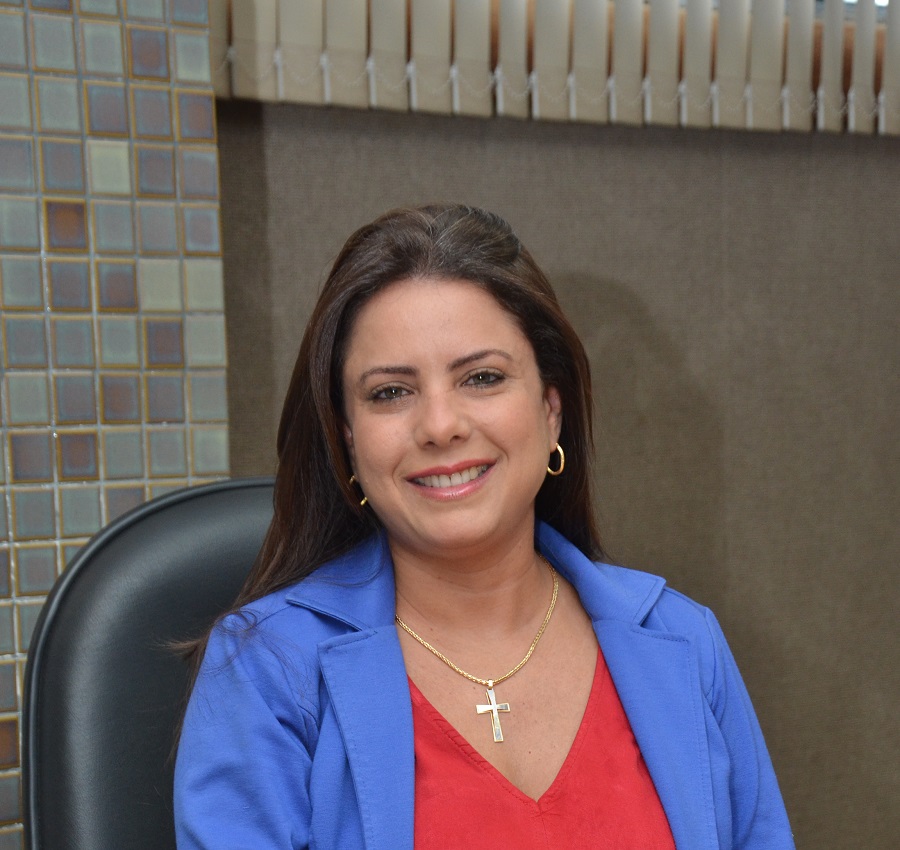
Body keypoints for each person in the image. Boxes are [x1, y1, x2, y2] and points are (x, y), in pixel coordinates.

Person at [174, 204, 794, 849]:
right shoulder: (267, 672)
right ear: (347, 438)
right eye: (391, 392)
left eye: (483, 378)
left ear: (551, 412)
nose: (441, 426)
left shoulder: (684, 641)